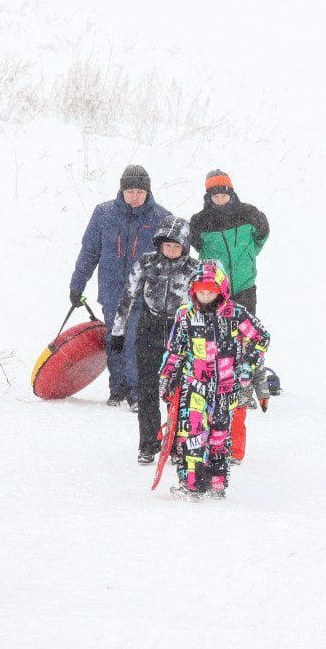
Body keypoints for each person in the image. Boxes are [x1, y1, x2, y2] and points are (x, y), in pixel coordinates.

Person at [158, 260, 270, 499]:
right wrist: (166, 377)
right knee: (192, 436)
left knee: (219, 438)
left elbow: (262, 338)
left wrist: (246, 368)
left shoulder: (235, 314)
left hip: (226, 388)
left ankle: (217, 485)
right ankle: (192, 484)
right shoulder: (185, 315)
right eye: (201, 290)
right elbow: (175, 350)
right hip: (194, 385)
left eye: (211, 291)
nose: (206, 295)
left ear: (221, 290)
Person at [70, 165, 171, 408]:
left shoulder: (161, 218)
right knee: (114, 341)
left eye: (139, 191)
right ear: (121, 190)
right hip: (112, 292)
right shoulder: (104, 213)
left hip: (144, 295)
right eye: (129, 191)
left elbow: (172, 257)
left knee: (135, 341)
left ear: (147, 191)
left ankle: (137, 392)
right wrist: (77, 285)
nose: (134, 196)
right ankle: (118, 388)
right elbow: (89, 252)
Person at [189, 169, 269, 464]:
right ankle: (218, 379)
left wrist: (247, 257)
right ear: (208, 196)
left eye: (223, 193)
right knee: (218, 341)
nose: (220, 198)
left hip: (245, 287)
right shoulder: (199, 222)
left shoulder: (250, 214)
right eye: (214, 195)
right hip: (215, 292)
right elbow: (197, 248)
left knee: (247, 337)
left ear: (231, 192)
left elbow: (262, 235)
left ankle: (247, 382)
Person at [110, 215, 201, 465]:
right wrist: (118, 332)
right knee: (147, 389)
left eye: (176, 246)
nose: (171, 251)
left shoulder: (195, 270)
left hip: (180, 333)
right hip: (149, 329)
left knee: (180, 392)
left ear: (185, 247)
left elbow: (205, 305)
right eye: (167, 246)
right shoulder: (147, 263)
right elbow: (128, 297)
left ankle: (177, 443)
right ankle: (149, 443)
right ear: (159, 245)